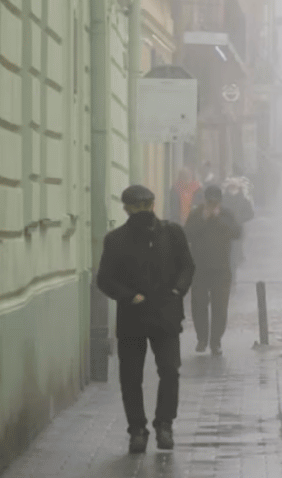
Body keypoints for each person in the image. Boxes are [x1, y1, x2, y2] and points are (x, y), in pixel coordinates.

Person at [96, 185, 195, 454]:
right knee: (130, 377)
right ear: (126, 208)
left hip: (165, 314)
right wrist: (128, 296)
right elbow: (104, 279)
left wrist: (177, 291)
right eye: (135, 206)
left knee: (169, 371)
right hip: (132, 317)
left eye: (145, 205)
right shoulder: (116, 240)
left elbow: (187, 265)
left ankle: (164, 424)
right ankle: (137, 429)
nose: (141, 211)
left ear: (152, 205)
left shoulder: (172, 234)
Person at [183, 185, 243, 356]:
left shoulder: (226, 215)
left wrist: (217, 219)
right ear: (204, 200)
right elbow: (187, 234)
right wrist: (203, 218)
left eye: (215, 202)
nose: (212, 205)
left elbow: (237, 233)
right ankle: (202, 339)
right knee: (199, 304)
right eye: (209, 202)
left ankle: (216, 341)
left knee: (220, 307)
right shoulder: (196, 214)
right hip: (199, 269)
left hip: (221, 269)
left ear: (220, 202)